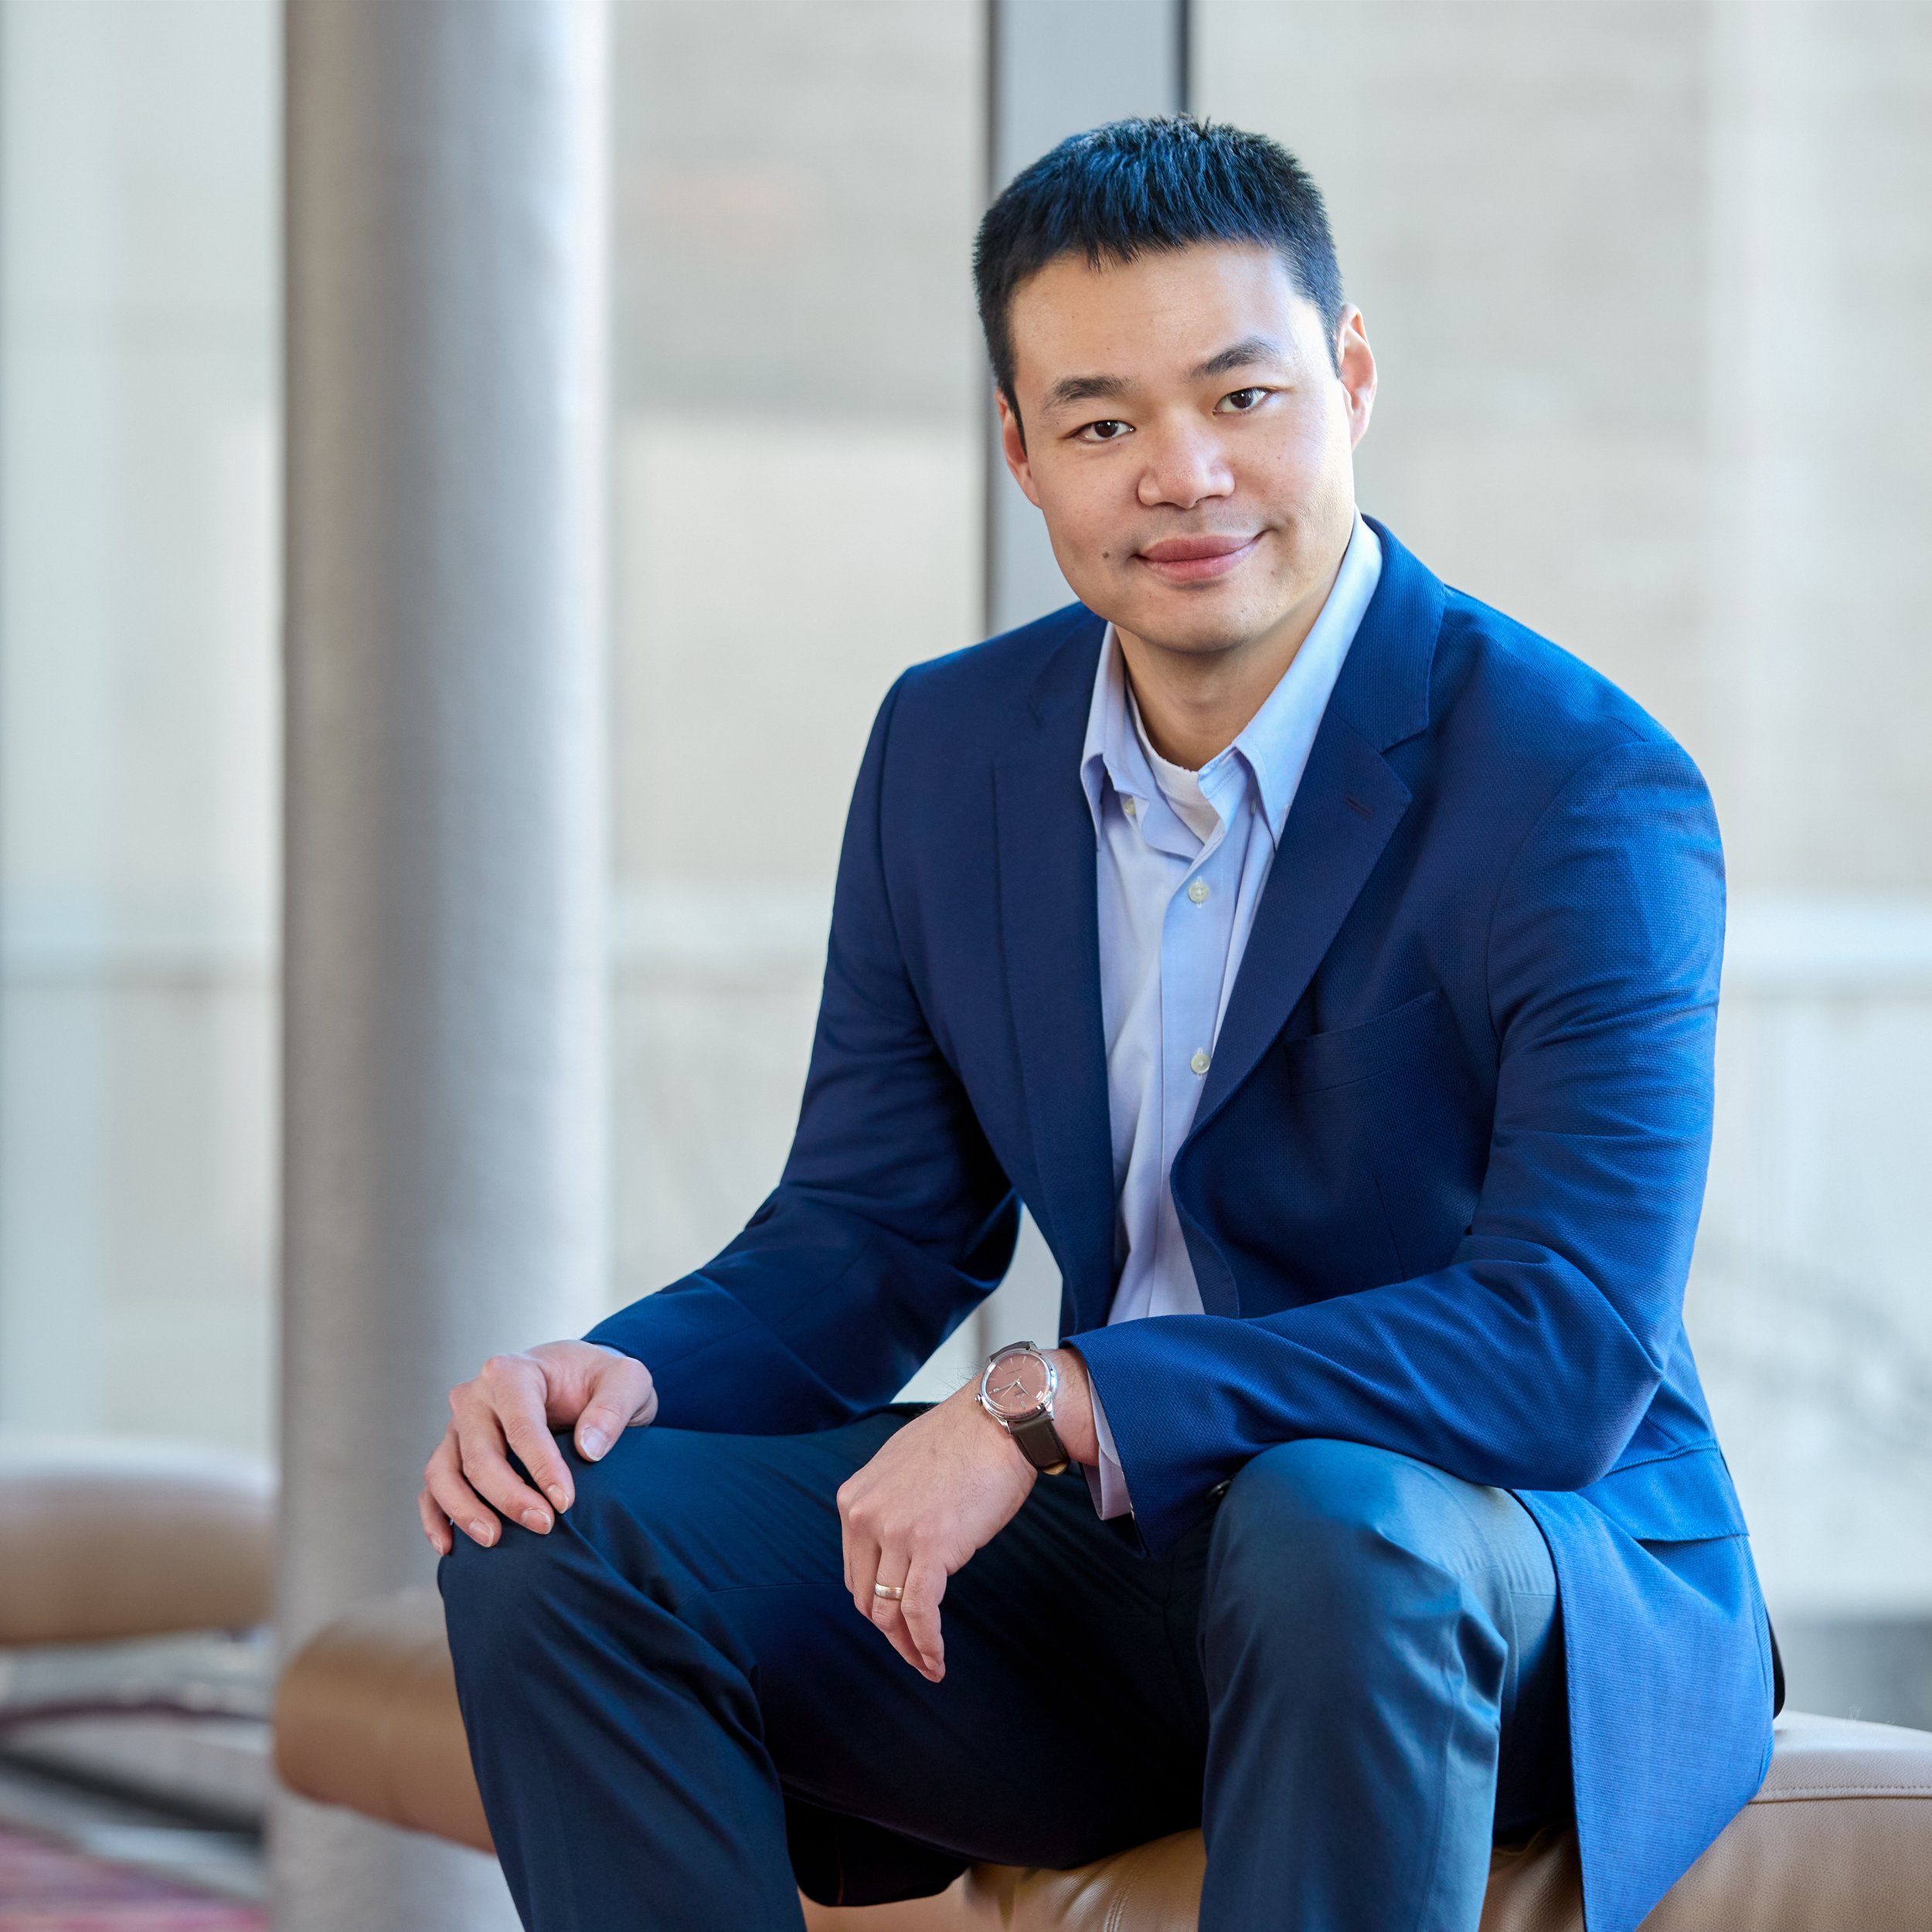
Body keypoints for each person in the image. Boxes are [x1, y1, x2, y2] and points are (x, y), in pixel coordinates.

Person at [425, 117, 1774, 1932]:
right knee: (565, 1535)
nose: (1186, 475)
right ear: (1019, 452)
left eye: (1242, 394)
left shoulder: (1575, 787)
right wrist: (621, 1375)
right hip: (1141, 1563)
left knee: (1328, 1525)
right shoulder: (950, 750)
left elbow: (1560, 1344)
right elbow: (869, 1231)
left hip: (1504, 1559)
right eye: (1101, 422)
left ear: (1351, 377)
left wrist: (1064, 1401)